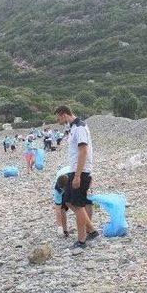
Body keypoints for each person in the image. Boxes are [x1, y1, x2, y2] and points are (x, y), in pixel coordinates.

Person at [55, 105, 97, 248]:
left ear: (64, 114)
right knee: (67, 200)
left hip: (81, 171)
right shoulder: (72, 128)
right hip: (74, 170)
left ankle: (82, 240)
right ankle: (91, 230)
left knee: (78, 205)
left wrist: (78, 176)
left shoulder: (80, 127)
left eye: (58, 117)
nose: (58, 120)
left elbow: (83, 151)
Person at [54, 173, 94, 237]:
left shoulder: (78, 180)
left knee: (86, 201)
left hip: (75, 177)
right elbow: (58, 209)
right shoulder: (58, 190)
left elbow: (90, 176)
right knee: (63, 207)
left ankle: (89, 229)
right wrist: (60, 226)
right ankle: (65, 231)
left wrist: (89, 189)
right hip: (65, 179)